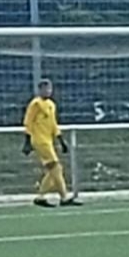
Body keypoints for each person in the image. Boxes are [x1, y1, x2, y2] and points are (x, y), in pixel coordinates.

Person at [23, 78, 81, 208]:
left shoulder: (51, 104)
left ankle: (41, 197)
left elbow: (53, 125)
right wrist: (27, 141)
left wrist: (61, 140)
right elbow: (28, 122)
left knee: (54, 170)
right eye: (45, 89)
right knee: (56, 167)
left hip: (48, 141)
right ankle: (64, 197)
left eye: (49, 88)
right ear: (40, 90)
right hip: (40, 141)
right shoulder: (35, 104)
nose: (48, 91)